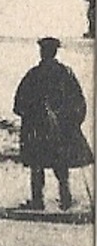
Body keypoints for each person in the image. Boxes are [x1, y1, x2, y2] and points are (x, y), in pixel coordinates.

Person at [12, 38, 93, 211]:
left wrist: (30, 116)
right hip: (61, 129)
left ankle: (38, 201)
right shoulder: (65, 73)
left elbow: (19, 104)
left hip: (38, 130)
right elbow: (79, 100)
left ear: (42, 52)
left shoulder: (34, 74)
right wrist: (74, 121)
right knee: (60, 164)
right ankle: (65, 199)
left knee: (37, 165)